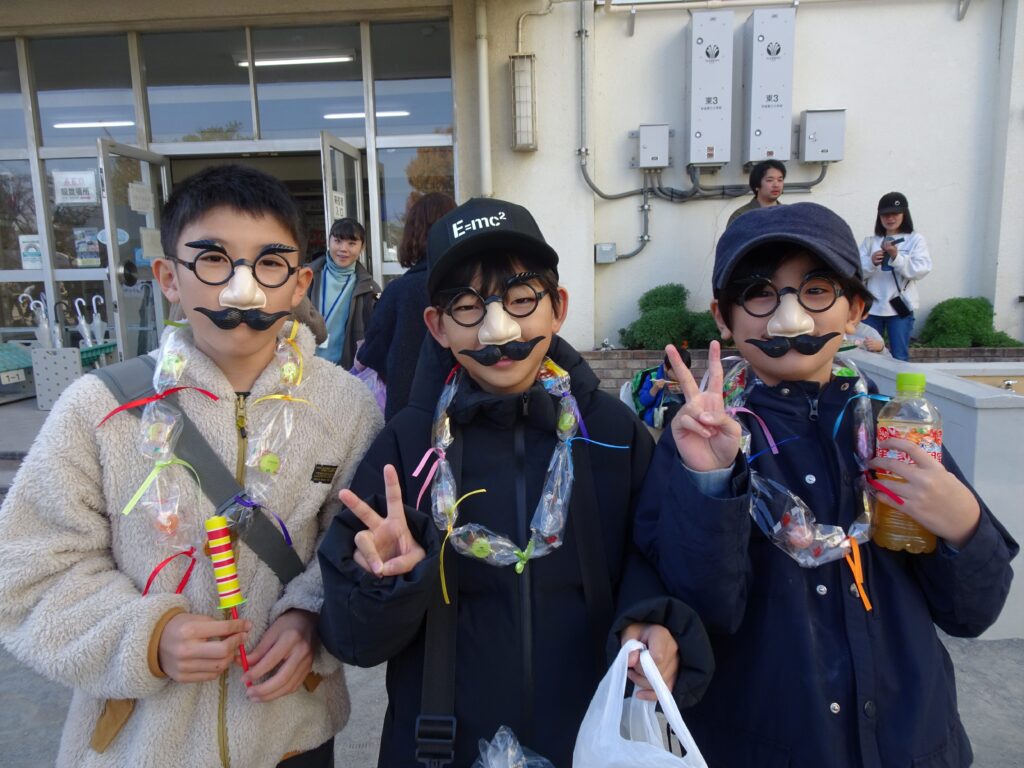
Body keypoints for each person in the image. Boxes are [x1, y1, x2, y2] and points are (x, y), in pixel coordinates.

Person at [0, 165, 383, 767]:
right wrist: (146, 638)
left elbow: (354, 543)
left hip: (291, 737)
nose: (241, 291)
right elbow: (27, 572)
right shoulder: (100, 409)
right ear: (169, 277)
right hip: (139, 746)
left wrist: (312, 615)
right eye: (212, 260)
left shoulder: (346, 409)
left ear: (299, 283)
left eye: (270, 263)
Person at [318, 197, 713, 768]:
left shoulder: (612, 434)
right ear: (437, 326)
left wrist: (651, 618)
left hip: (589, 743)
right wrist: (387, 582)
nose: (498, 327)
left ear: (558, 308)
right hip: (439, 748)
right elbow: (352, 639)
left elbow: (651, 557)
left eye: (522, 299)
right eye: (467, 306)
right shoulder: (405, 449)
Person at [635, 203, 1017, 768]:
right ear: (724, 317)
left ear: (855, 309)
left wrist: (965, 525)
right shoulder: (698, 439)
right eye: (760, 294)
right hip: (765, 746)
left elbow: (972, 614)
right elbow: (704, 611)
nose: (789, 319)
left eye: (815, 291)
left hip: (914, 743)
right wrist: (712, 481)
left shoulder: (898, 432)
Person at [356, 192, 457, 421]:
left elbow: (372, 352)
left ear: (413, 232)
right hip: (464, 414)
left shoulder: (399, 291)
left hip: (409, 417)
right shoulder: (471, 286)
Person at [858, 192, 932, 361]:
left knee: (899, 356)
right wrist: (871, 262)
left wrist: (896, 257)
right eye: (885, 214)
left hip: (900, 307)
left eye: (895, 213)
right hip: (872, 308)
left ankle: (898, 380)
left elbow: (921, 269)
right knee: (866, 354)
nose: (890, 218)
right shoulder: (870, 241)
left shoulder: (915, 239)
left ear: (904, 214)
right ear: (879, 217)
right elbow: (854, 272)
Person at [309, 217, 380, 369]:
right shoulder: (306, 277)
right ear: (328, 242)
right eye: (338, 241)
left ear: (362, 248)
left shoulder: (370, 290)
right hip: (303, 365)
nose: (343, 249)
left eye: (351, 243)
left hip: (345, 371)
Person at [636, 345, 691, 428]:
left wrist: (685, 390)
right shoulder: (653, 376)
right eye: (677, 372)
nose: (681, 375)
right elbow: (643, 401)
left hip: (681, 408)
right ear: (665, 367)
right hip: (660, 411)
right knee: (676, 411)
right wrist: (655, 389)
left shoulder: (686, 377)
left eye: (684, 371)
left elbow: (692, 399)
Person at [726, 159, 786, 227]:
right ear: (757, 185)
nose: (776, 185)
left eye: (780, 180)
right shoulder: (741, 216)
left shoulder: (788, 213)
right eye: (770, 180)